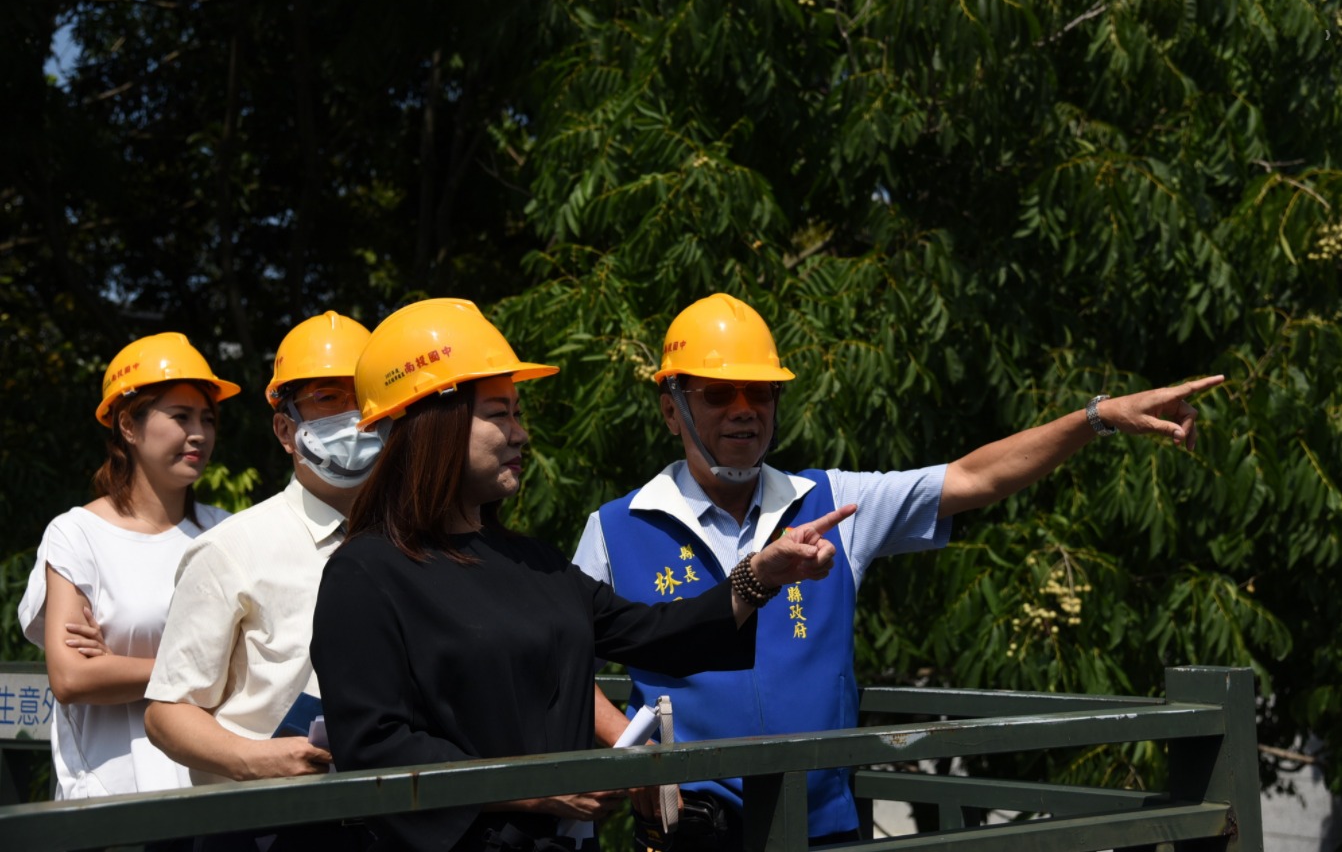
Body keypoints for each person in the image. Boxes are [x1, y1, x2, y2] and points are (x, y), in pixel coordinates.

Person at [574, 292, 1226, 848]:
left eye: (762, 392)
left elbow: (975, 475)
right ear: (671, 407)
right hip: (689, 830)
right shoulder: (616, 526)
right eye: (719, 394)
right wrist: (635, 759)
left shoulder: (832, 502)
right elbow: (561, 661)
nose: (745, 408)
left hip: (821, 825)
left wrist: (1097, 417)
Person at [308, 298, 854, 852]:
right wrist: (538, 790)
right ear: (433, 420)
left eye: (519, 413)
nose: (520, 434)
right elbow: (373, 747)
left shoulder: (532, 562)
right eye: (500, 414)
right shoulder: (365, 573)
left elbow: (657, 634)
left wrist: (759, 575)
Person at [140, 311, 379, 849]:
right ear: (285, 430)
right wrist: (256, 759)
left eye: (365, 399)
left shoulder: (414, 542)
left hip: (387, 820)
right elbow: (168, 711)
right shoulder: (232, 549)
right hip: (262, 828)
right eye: (327, 399)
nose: (355, 419)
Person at [16, 333, 240, 800]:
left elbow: (255, 662)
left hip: (210, 791)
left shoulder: (227, 533)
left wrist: (119, 666)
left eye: (207, 418)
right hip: (109, 797)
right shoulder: (77, 534)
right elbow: (72, 678)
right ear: (128, 426)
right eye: (179, 417)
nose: (198, 432)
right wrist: (203, 668)